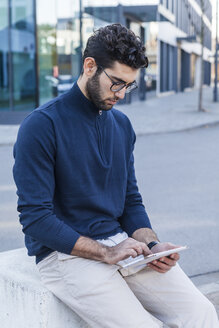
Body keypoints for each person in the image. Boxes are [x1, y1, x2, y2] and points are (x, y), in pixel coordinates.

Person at [13, 24, 218, 328]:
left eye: (129, 85)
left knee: (202, 314)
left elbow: (130, 201)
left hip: (121, 246)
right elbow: (35, 218)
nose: (121, 94)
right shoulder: (41, 126)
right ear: (90, 66)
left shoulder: (122, 126)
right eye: (116, 83)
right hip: (64, 256)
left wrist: (152, 246)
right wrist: (107, 252)